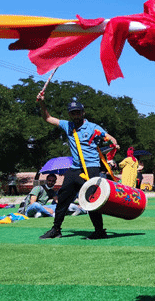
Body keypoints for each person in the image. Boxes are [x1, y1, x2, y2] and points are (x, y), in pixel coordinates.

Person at [36, 93, 118, 239]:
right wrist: (42, 103)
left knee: (91, 199)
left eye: (78, 112)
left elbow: (110, 137)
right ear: (70, 114)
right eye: (72, 113)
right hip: (74, 168)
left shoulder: (93, 127)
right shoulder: (68, 126)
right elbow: (47, 118)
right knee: (63, 197)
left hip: (91, 168)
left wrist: (113, 143)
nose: (75, 115)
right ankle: (56, 230)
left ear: (83, 112)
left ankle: (99, 231)